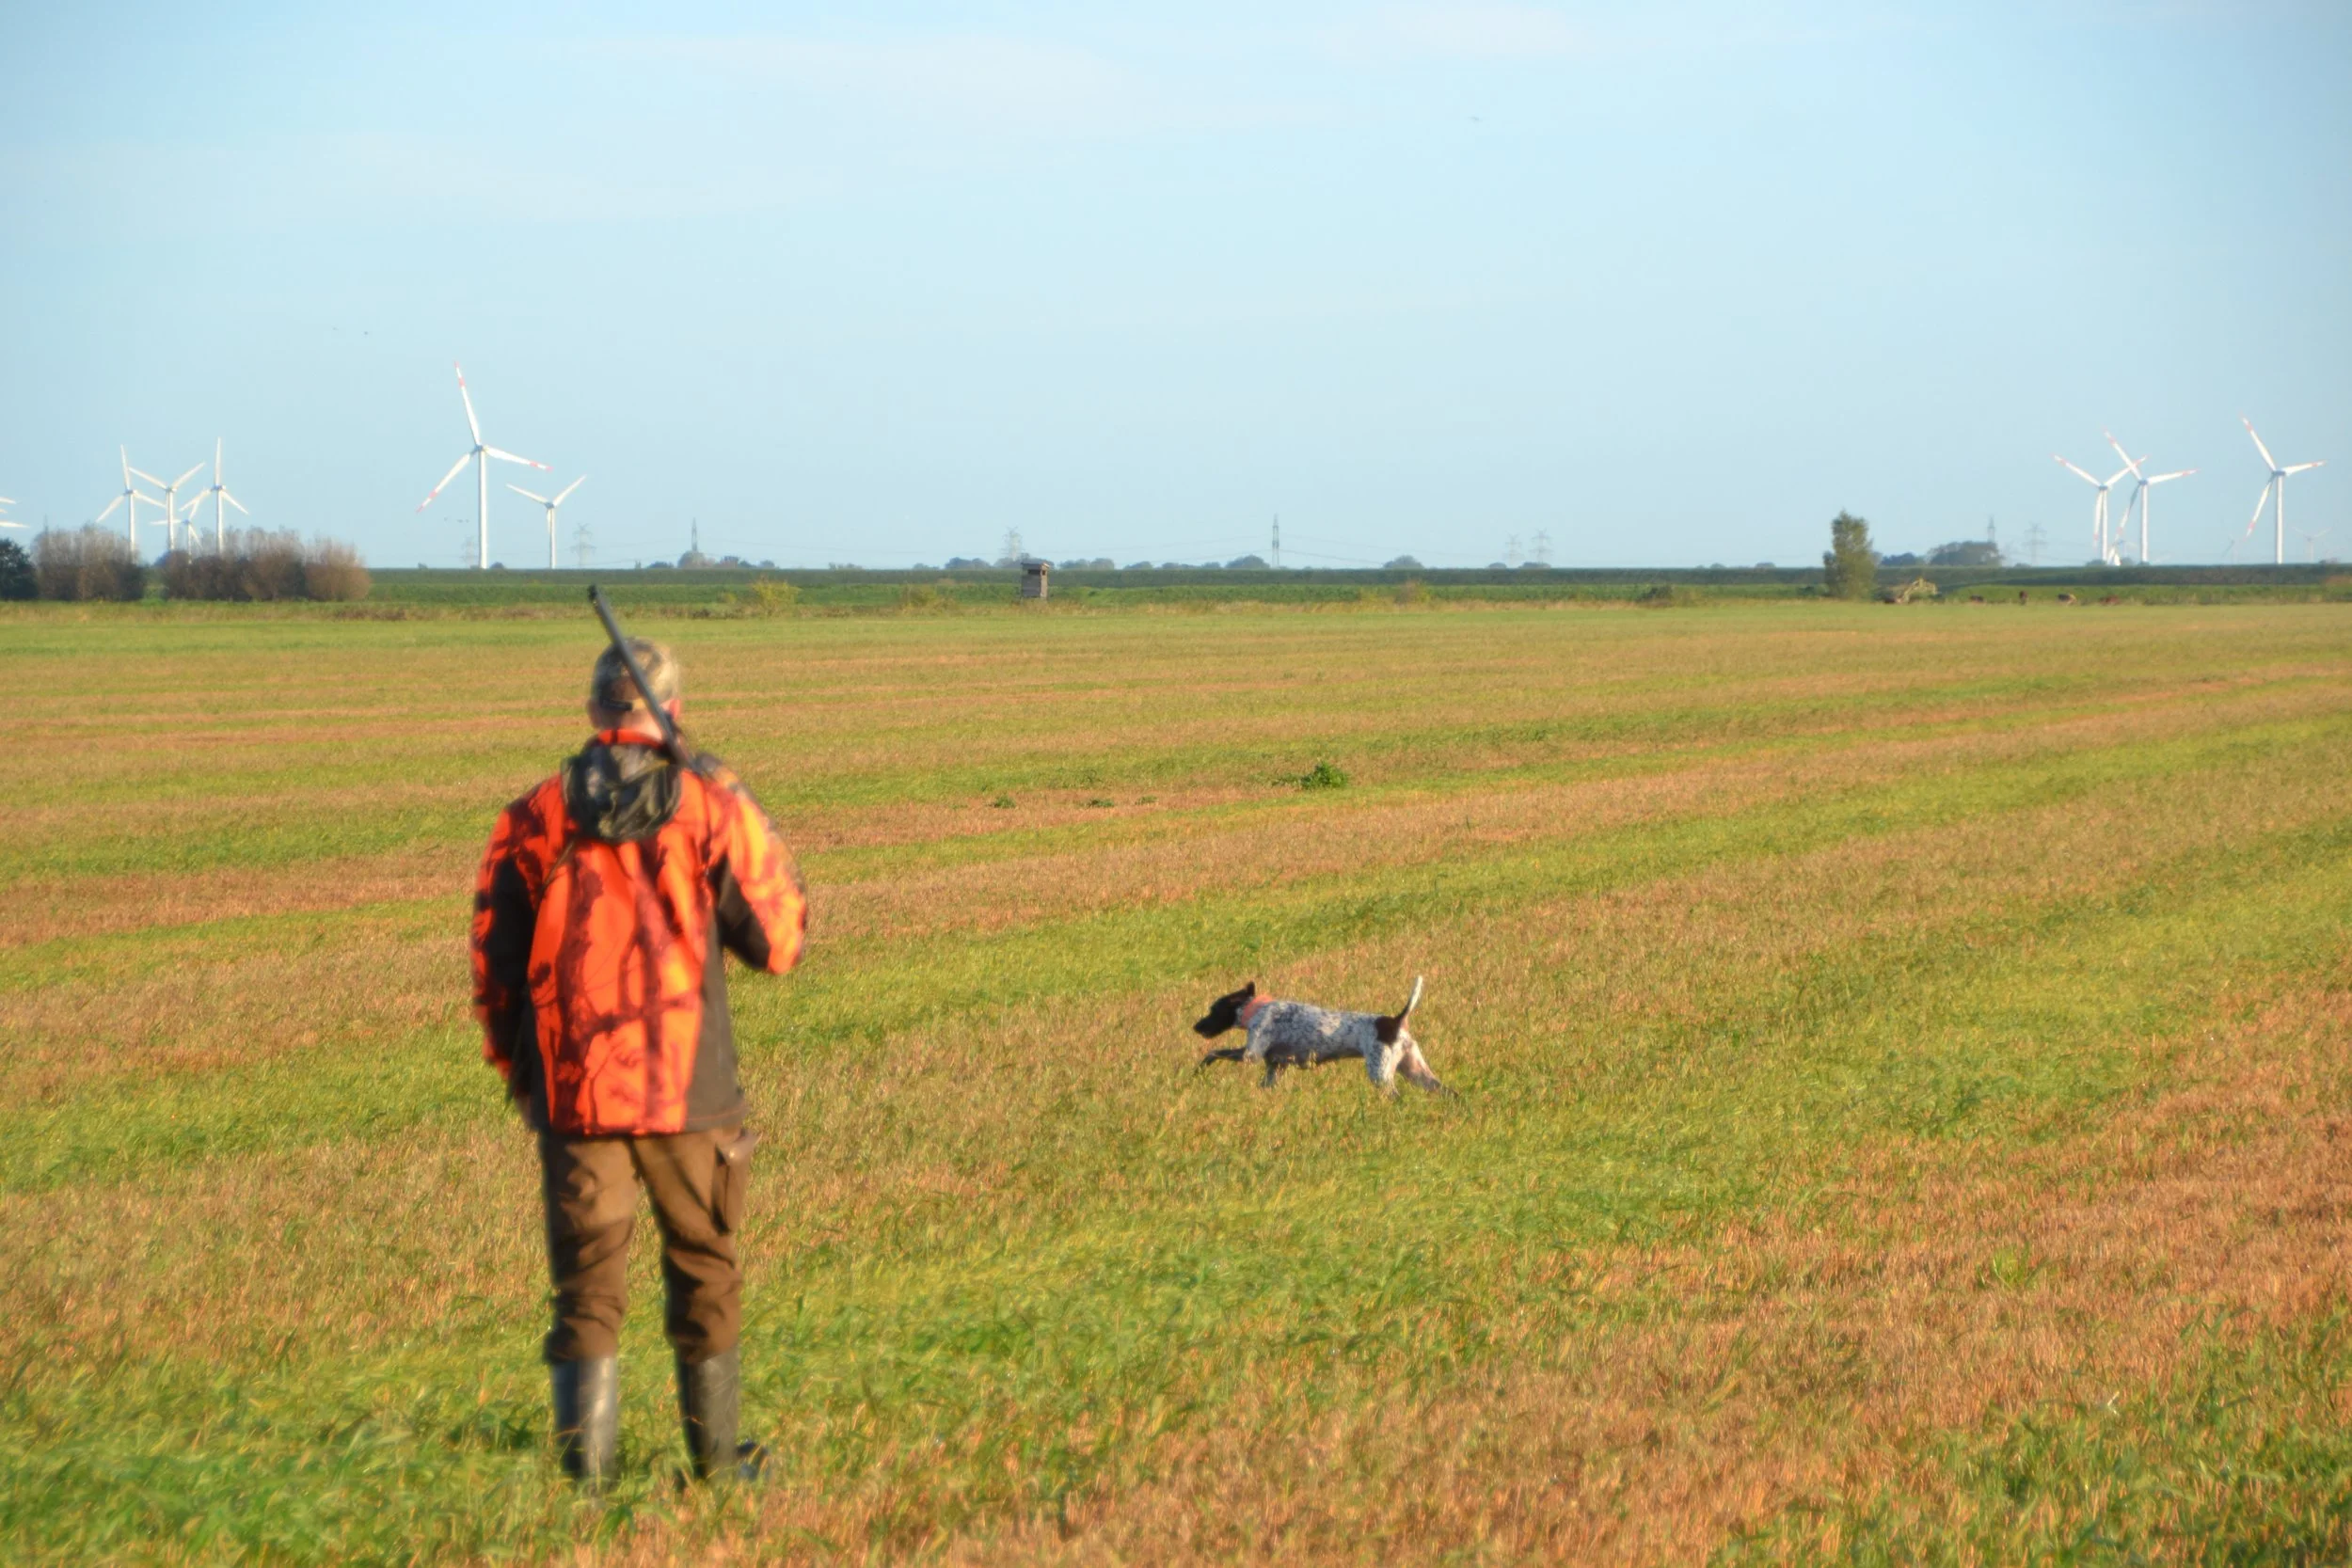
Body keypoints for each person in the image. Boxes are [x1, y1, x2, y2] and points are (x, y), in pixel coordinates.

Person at [469, 637, 806, 1485]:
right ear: (674, 710)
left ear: (592, 711)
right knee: (705, 1272)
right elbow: (779, 942)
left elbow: (493, 967)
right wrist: (736, 794)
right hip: (691, 1092)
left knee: (587, 1290)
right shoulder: (708, 808)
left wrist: (525, 1077)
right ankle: (719, 1468)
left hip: (577, 1096)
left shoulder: (533, 817)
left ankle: (587, 1486)